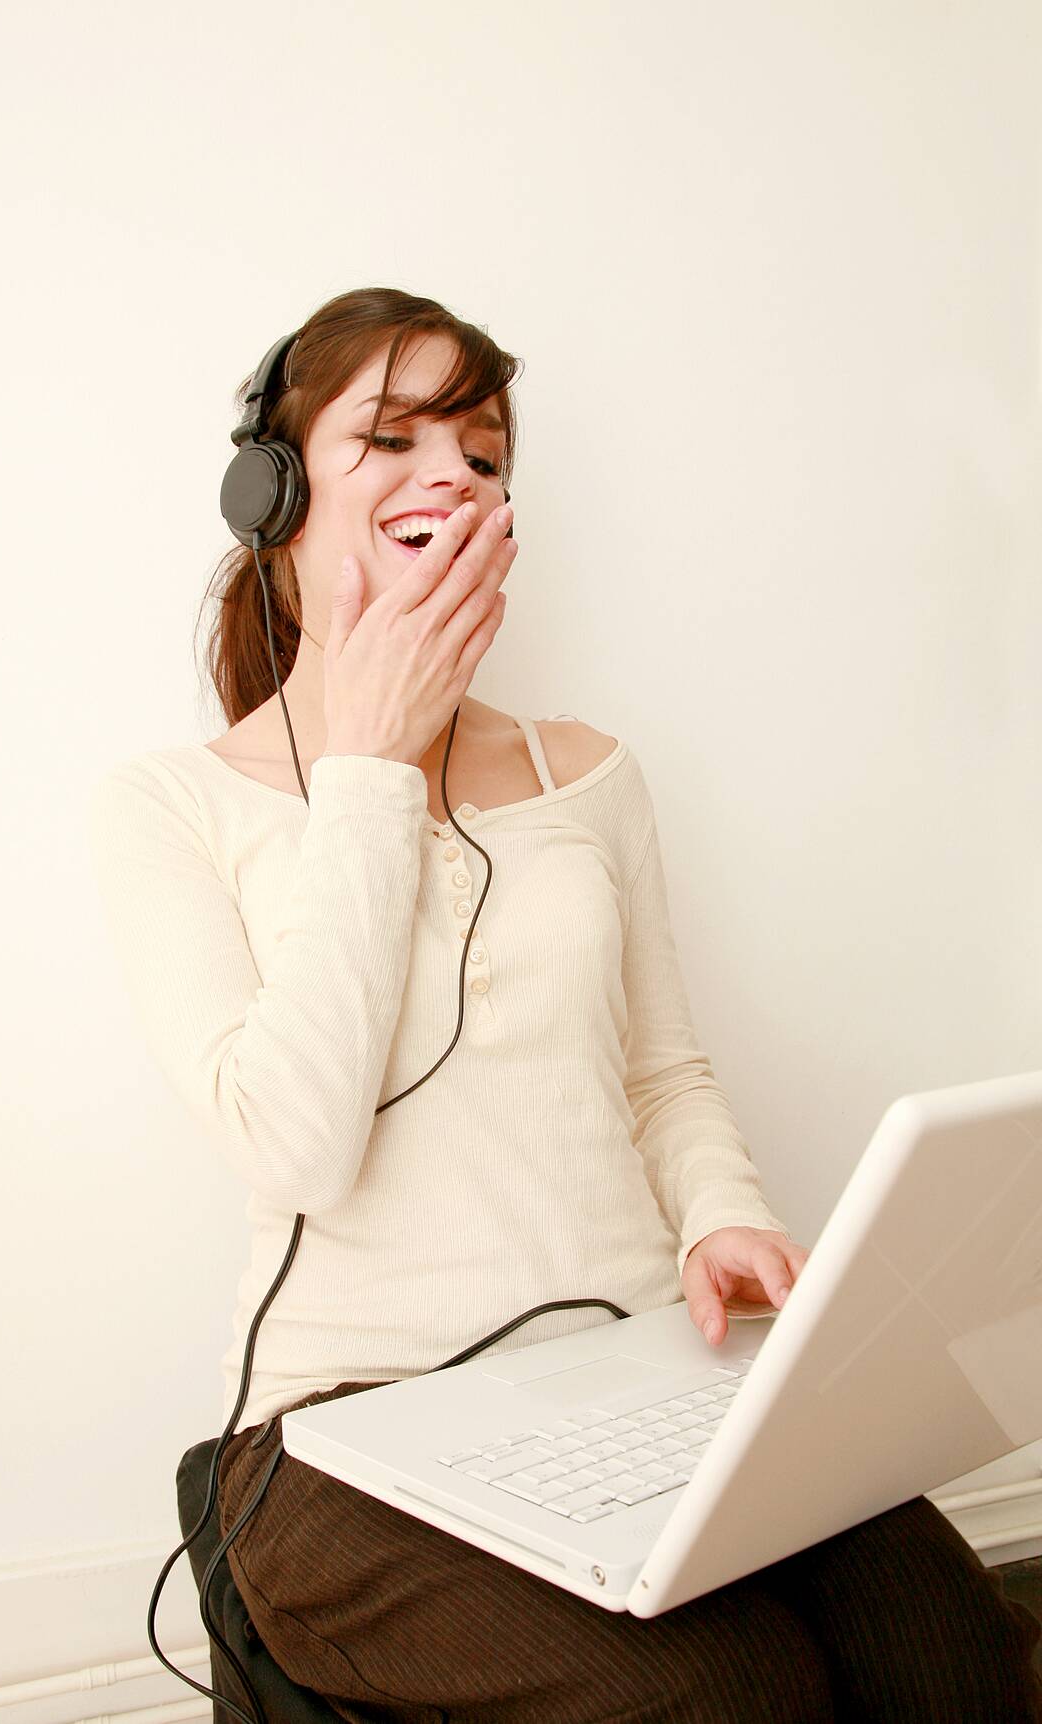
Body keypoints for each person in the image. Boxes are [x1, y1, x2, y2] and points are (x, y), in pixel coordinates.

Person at [88, 287, 1041, 1722]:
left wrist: (720, 1212)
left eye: (479, 450)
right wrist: (371, 766)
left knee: (956, 1662)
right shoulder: (169, 806)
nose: (450, 474)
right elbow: (291, 1146)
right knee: (732, 1698)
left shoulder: (586, 771)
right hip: (343, 1441)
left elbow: (662, 1072)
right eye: (391, 436)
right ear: (273, 498)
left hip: (641, 1374)